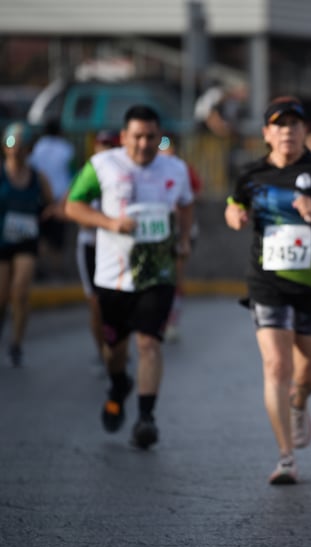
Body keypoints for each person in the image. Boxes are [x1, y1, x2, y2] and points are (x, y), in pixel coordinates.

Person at [224, 96, 311, 484]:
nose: (287, 132)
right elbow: (233, 206)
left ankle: (299, 402)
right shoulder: (251, 175)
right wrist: (235, 215)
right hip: (268, 282)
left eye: (295, 125)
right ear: (267, 133)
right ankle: (285, 457)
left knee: (308, 373)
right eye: (279, 125)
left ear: (304, 132)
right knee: (276, 366)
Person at [65, 105, 194, 450]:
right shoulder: (102, 165)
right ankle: (119, 383)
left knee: (149, 343)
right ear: (124, 137)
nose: (144, 144)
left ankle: (146, 417)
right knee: (115, 349)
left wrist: (182, 238)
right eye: (137, 136)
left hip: (157, 272)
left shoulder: (175, 168)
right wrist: (109, 223)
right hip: (114, 276)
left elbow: (185, 203)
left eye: (151, 136)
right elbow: (73, 205)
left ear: (159, 136)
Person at [0, 122, 58, 366]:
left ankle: (17, 343)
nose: (16, 150)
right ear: (4, 147)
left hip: (27, 240)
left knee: (20, 292)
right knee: (1, 296)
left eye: (21, 145)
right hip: (2, 241)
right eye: (12, 144)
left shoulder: (38, 178)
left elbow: (50, 207)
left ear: (29, 149)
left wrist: (45, 235)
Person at [75, 129, 120, 372]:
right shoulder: (87, 175)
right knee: (95, 305)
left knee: (116, 304)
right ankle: (102, 352)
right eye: (101, 144)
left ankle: (117, 349)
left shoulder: (121, 177)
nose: (105, 149)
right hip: (91, 247)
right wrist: (107, 222)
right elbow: (73, 209)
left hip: (114, 249)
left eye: (110, 145)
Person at [158, 133, 203, 343]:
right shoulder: (148, 168)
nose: (166, 150)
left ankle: (172, 321)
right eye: (162, 146)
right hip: (157, 233)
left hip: (180, 233)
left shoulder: (181, 168)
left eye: (168, 146)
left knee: (176, 276)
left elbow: (195, 193)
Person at [28, 118, 75, 278]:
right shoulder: (66, 148)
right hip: (59, 199)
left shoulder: (37, 148)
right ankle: (57, 272)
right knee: (58, 240)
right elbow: (72, 173)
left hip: (40, 199)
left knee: (42, 236)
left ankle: (41, 270)